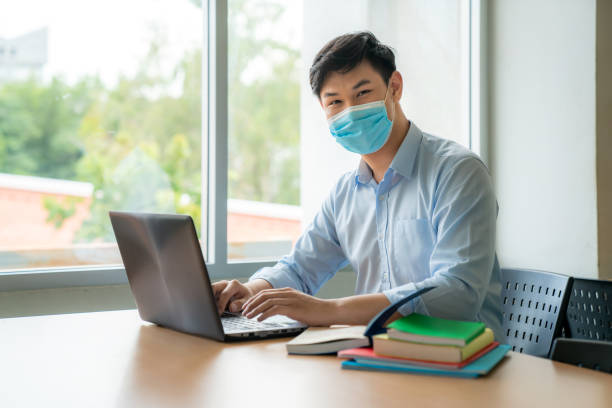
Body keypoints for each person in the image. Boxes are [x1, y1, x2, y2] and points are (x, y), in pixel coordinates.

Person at [213, 31, 503, 339]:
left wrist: (330, 310)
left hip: (463, 363)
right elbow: (299, 268)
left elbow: (457, 294)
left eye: (362, 94)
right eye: (335, 101)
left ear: (395, 87)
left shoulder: (458, 172)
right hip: (375, 357)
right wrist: (252, 291)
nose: (350, 110)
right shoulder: (344, 194)